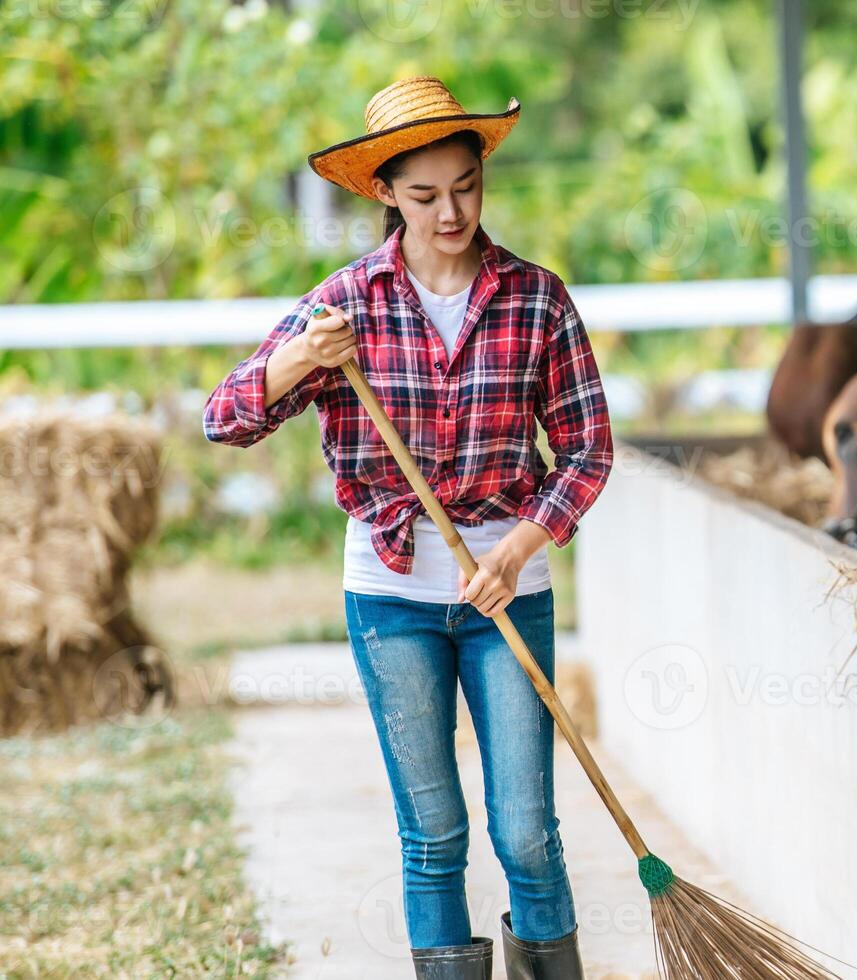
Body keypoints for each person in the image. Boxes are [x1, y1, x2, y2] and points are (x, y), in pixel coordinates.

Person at [203, 76, 612, 980]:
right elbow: (224, 418)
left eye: (465, 185)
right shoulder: (342, 307)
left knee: (528, 829)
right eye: (424, 194)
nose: (450, 210)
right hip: (390, 599)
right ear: (385, 193)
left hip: (510, 590)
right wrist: (299, 361)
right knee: (433, 832)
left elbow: (587, 452)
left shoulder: (537, 300)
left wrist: (517, 547)